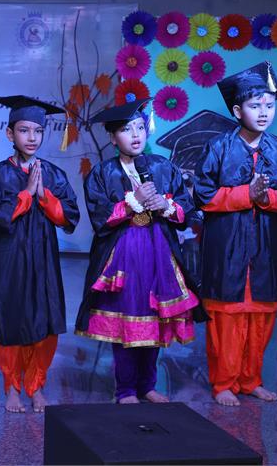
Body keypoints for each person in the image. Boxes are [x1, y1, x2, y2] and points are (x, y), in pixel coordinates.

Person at [193, 61, 277, 406]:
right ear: (237, 110)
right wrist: (246, 194)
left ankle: (250, 379)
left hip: (264, 247)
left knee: (261, 315)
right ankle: (224, 383)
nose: (264, 112)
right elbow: (203, 195)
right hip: (226, 245)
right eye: (255, 105)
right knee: (226, 317)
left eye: (269, 105)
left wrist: (266, 198)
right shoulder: (218, 148)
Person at [75, 98, 200, 404]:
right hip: (124, 255)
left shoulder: (162, 167)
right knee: (126, 318)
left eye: (140, 128)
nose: (135, 135)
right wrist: (134, 202)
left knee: (154, 317)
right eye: (126, 129)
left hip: (159, 251)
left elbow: (186, 207)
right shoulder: (102, 173)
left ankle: (148, 385)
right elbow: (100, 217)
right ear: (112, 137)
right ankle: (125, 389)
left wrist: (166, 205)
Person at [0, 95, 80, 413]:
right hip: (10, 260)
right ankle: (11, 387)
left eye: (38, 131)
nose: (32, 137)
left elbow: (69, 217)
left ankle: (36, 385)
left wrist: (44, 196)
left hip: (43, 260)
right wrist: (25, 195)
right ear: (10, 134)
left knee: (45, 322)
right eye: (24, 130)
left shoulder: (54, 174)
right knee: (11, 321)